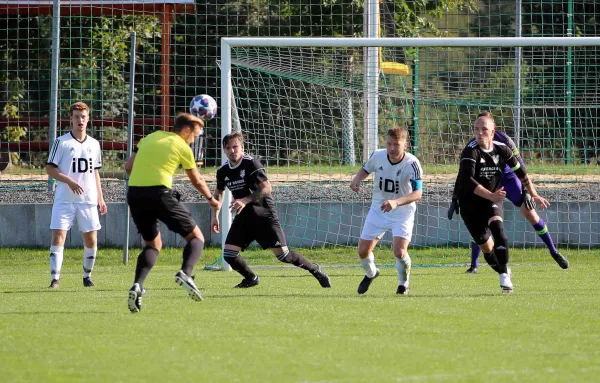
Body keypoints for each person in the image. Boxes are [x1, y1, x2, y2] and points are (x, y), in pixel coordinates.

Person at [449, 112, 568, 273]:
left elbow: (520, 167)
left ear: (493, 129)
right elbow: (464, 175)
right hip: (488, 181)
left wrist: (528, 192)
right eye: (477, 128)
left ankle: (554, 251)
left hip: (509, 178)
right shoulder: (472, 145)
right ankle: (474, 265)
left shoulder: (504, 141)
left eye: (484, 128)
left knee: (531, 213)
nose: (480, 132)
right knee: (479, 218)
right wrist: (455, 198)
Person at [124, 113, 219, 313]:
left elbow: (129, 167)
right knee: (196, 237)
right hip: (160, 194)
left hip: (134, 194)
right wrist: (211, 200)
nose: (194, 139)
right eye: (195, 135)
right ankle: (186, 273)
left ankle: (137, 285)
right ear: (186, 130)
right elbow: (197, 181)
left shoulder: (149, 137)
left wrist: (146, 181)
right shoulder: (182, 146)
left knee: (153, 243)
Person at [211, 132, 331, 289]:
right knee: (229, 255)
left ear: (242, 147)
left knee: (284, 256)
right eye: (228, 148)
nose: (232, 151)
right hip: (244, 218)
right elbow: (219, 192)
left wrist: (245, 200)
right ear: (224, 150)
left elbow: (267, 188)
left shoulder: (251, 164)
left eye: (235, 147)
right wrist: (215, 215)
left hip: (264, 216)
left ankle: (315, 270)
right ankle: (251, 278)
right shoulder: (223, 171)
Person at [349, 127, 423, 295]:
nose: (391, 148)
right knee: (362, 251)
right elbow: (366, 169)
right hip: (378, 209)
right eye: (389, 144)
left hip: (402, 213)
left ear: (405, 144)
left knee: (399, 251)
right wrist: (356, 179)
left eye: (396, 145)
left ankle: (403, 284)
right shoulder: (378, 155)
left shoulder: (412, 163)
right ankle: (372, 273)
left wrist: (396, 202)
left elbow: (418, 193)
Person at [46, 102, 107, 289]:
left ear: (88, 119)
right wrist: (69, 181)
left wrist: (100, 198)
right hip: (64, 200)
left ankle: (87, 277)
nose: (80, 120)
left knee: (91, 239)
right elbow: (50, 168)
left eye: (83, 116)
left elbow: (94, 172)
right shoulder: (61, 142)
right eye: (76, 117)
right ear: (70, 119)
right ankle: (55, 279)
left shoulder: (94, 144)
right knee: (59, 236)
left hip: (87, 200)